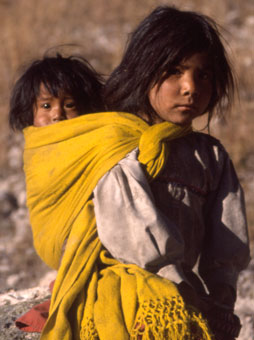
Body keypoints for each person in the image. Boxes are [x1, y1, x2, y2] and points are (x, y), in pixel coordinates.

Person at [19, 6, 250, 340]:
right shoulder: (119, 143)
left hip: (185, 288)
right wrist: (183, 294)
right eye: (174, 71)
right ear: (144, 71)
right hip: (125, 282)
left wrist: (222, 300)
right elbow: (135, 235)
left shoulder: (211, 156)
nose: (190, 87)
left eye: (203, 74)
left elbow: (228, 239)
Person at [9, 52, 104, 130]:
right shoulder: (32, 151)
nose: (58, 115)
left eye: (69, 105)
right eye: (46, 106)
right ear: (29, 112)